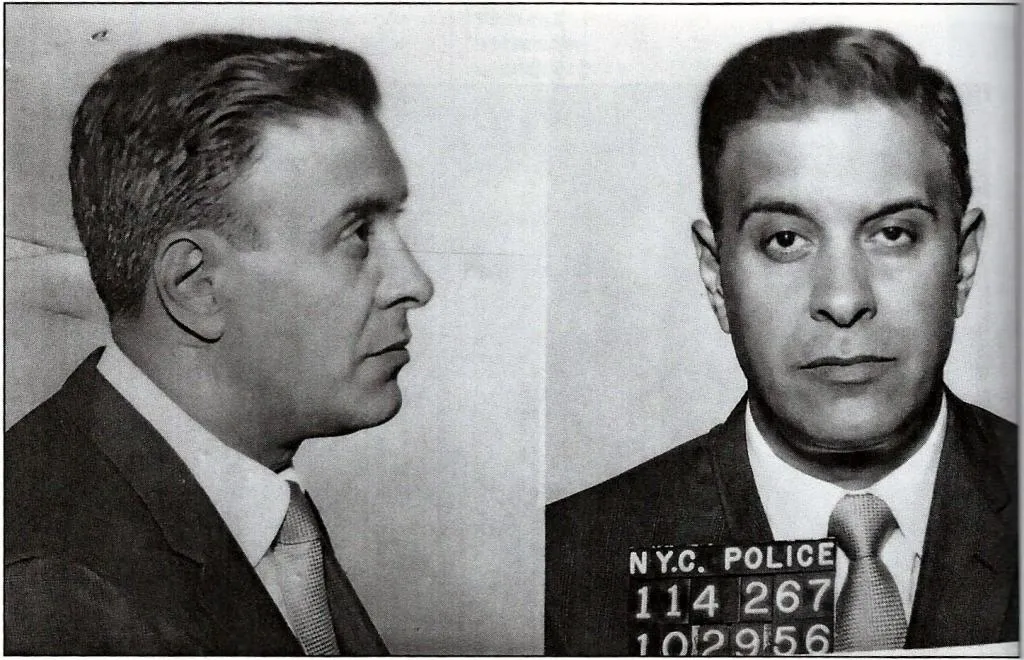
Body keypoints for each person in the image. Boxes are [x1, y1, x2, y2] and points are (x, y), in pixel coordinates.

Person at [545, 26, 1016, 655]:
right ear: (717, 278)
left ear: (962, 263)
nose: (845, 300)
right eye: (785, 241)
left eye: (894, 234)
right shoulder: (569, 567)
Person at [5, 33, 433, 655]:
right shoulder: (58, 586)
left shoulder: (253, 508)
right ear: (196, 286)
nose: (415, 284)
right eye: (358, 234)